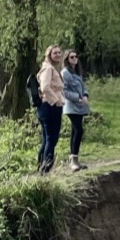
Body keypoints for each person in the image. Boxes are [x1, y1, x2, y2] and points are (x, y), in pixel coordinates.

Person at [36, 45, 65, 173]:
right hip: (49, 107)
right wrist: (56, 100)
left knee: (47, 139)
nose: (58, 55)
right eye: (55, 53)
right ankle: (46, 168)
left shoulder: (52, 68)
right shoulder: (48, 69)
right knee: (51, 139)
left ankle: (42, 166)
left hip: (49, 107)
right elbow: (45, 87)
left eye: (59, 53)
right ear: (49, 55)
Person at [62, 49, 90, 171]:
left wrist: (85, 95)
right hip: (71, 106)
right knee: (78, 130)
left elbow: (83, 87)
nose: (74, 59)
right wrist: (78, 98)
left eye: (76, 56)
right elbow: (64, 91)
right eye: (71, 57)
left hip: (80, 106)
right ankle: (73, 159)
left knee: (75, 130)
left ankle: (74, 159)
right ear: (67, 59)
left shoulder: (77, 72)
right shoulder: (65, 73)